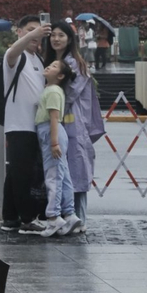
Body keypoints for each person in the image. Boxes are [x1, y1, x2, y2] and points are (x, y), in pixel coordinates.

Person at [44, 20, 105, 230]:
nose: (56, 39)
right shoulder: (52, 61)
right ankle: (62, 216)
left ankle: (78, 218)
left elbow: (68, 95)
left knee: (76, 168)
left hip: (73, 121)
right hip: (58, 121)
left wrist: (48, 102)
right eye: (53, 35)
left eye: (61, 35)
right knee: (60, 169)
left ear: (70, 39)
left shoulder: (75, 64)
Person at [1, 15, 50, 235]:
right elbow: (12, 52)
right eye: (30, 30)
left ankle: (10, 217)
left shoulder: (38, 59)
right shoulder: (14, 56)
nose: (35, 35)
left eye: (38, 32)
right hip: (19, 124)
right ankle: (27, 219)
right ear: (19, 32)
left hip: (35, 125)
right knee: (23, 174)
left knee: (16, 173)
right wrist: (33, 34)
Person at [35, 58, 81, 237]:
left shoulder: (53, 90)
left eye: (54, 66)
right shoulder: (53, 89)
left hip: (50, 131)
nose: (48, 66)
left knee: (53, 175)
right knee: (63, 175)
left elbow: (54, 118)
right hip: (53, 132)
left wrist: (53, 143)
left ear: (60, 75)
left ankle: (53, 217)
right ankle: (69, 214)